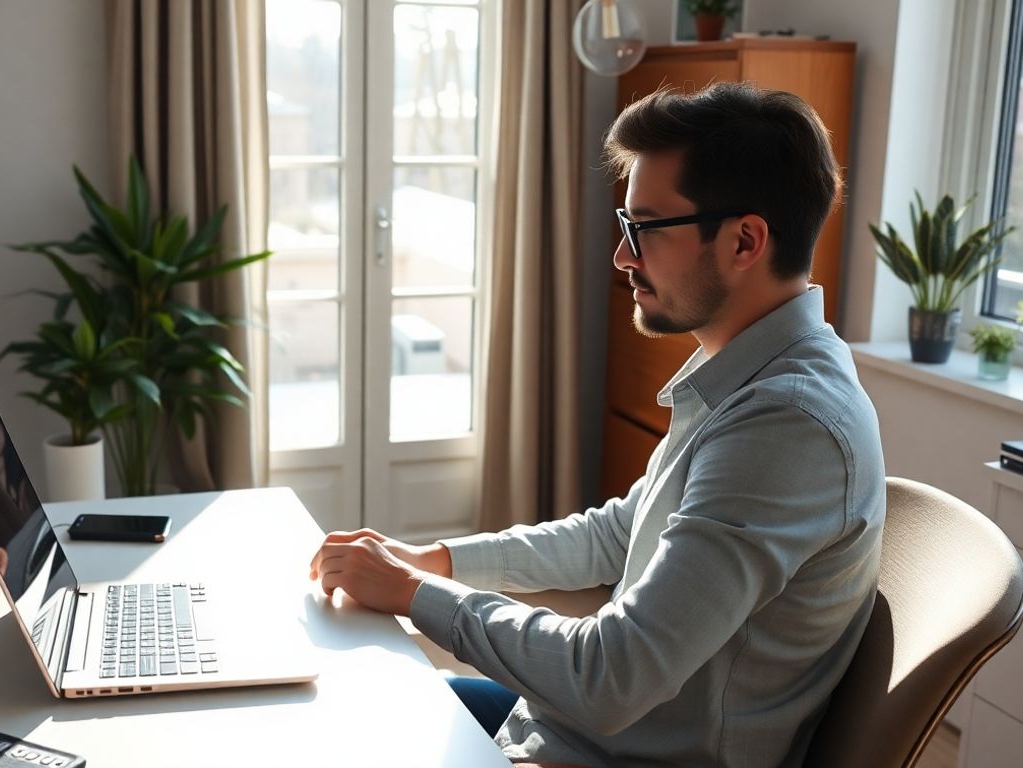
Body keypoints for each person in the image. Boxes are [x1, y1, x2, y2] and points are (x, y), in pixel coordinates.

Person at [309, 81, 885, 767]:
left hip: (603, 751)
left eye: (643, 228)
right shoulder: (745, 380)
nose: (622, 257)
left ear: (745, 240)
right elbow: (619, 533)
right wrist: (434, 561)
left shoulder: (786, 425)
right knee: (347, 698)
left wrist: (413, 593)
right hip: (569, 731)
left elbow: (613, 676)